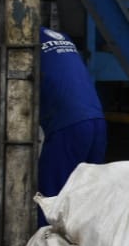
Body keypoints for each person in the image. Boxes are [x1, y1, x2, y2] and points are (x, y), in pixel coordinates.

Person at [37, 27, 107, 216]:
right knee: (86, 197)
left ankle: (45, 244)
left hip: (68, 125)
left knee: (51, 199)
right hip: (97, 120)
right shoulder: (63, 37)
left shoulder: (25, 43)